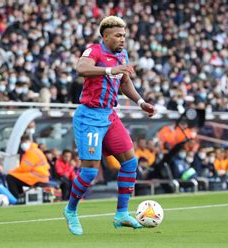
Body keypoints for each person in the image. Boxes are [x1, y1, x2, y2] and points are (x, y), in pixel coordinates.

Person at [63, 16, 156, 236]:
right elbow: (82, 68)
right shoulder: (93, 51)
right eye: (117, 35)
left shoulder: (121, 55)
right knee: (89, 173)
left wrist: (141, 102)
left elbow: (124, 82)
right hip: (89, 117)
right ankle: (70, 210)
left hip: (109, 115)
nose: (122, 39)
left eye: (124, 35)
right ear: (105, 36)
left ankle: (121, 213)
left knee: (130, 162)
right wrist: (110, 70)